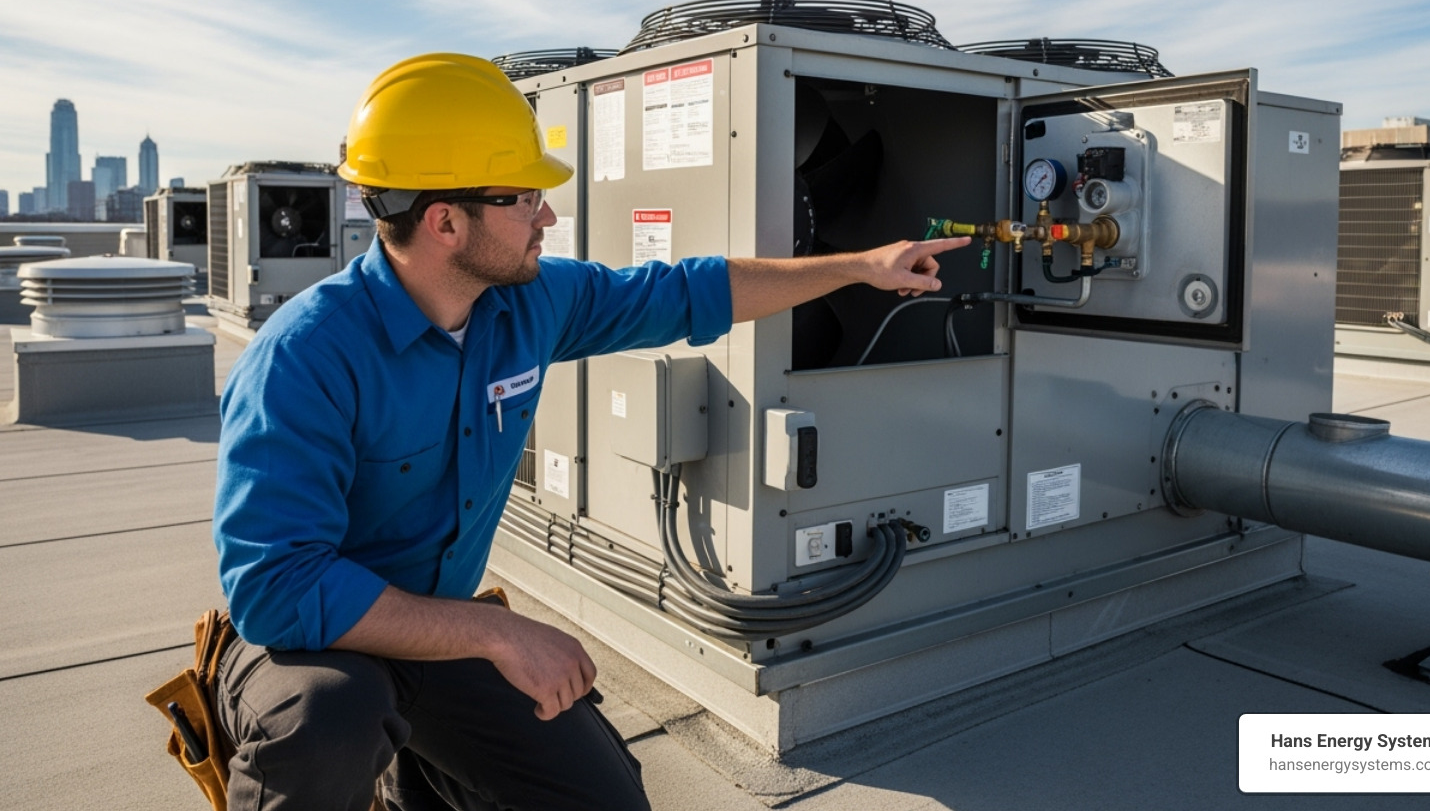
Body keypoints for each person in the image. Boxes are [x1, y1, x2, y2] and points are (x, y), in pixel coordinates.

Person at [212, 53, 968, 811]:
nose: (546, 216)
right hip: (312, 646)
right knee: (324, 728)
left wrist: (862, 266)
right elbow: (277, 588)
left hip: (435, 634)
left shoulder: (529, 304)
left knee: (602, 797)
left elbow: (688, 290)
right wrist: (500, 636)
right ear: (444, 221)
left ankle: (417, 783)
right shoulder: (303, 359)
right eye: (524, 199)